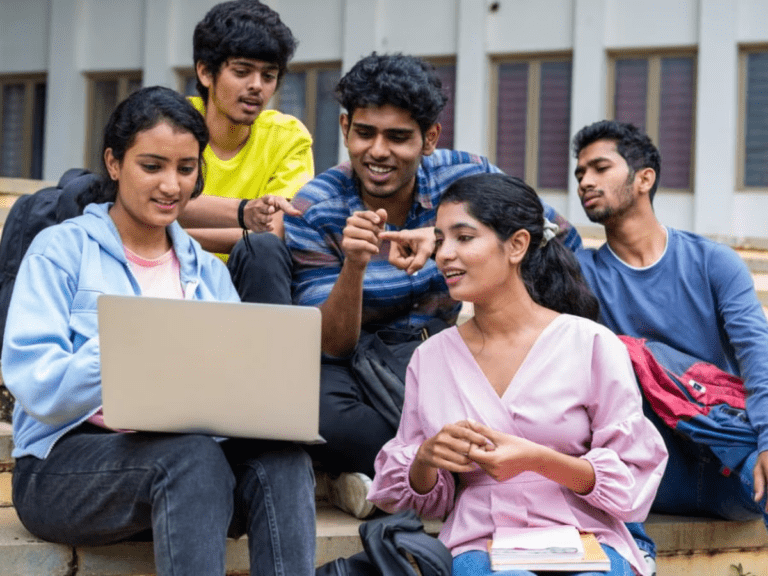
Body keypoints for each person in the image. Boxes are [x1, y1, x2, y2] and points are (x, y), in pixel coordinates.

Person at [2, 86, 315, 576]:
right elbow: (37, 388)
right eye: (152, 166)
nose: (171, 185)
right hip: (61, 470)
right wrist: (130, 346)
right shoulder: (60, 250)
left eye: (186, 169)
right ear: (114, 163)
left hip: (187, 476)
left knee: (283, 458)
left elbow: (231, 399)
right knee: (191, 459)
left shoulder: (206, 272)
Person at [284, 53, 582, 517]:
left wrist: (445, 237)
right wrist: (354, 266)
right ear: (344, 128)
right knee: (316, 412)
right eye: (364, 133)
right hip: (355, 361)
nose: (377, 151)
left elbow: (557, 234)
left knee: (483, 414)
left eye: (398, 137)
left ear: (430, 138)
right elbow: (332, 344)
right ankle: (424, 473)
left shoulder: (466, 177)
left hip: (447, 347)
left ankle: (385, 479)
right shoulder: (316, 208)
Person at [367, 173, 668, 576]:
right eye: (440, 240)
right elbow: (423, 500)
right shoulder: (430, 358)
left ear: (517, 245)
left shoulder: (591, 343)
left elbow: (632, 477)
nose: (445, 255)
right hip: (480, 540)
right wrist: (426, 459)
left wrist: (537, 460)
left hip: (586, 537)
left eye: (464, 237)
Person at [572, 120, 768, 561]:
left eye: (600, 168)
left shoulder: (713, 262)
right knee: (623, 354)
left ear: (644, 178)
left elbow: (759, 358)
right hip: (647, 475)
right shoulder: (581, 275)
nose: (584, 181)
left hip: (725, 455)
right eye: (580, 173)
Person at [179, 0, 311, 303]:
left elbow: (273, 233)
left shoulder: (287, 137)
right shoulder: (170, 124)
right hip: (167, 271)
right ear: (205, 72)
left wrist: (171, 236)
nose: (257, 87)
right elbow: (136, 203)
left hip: (245, 284)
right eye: (242, 72)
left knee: (262, 249)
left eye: (268, 76)